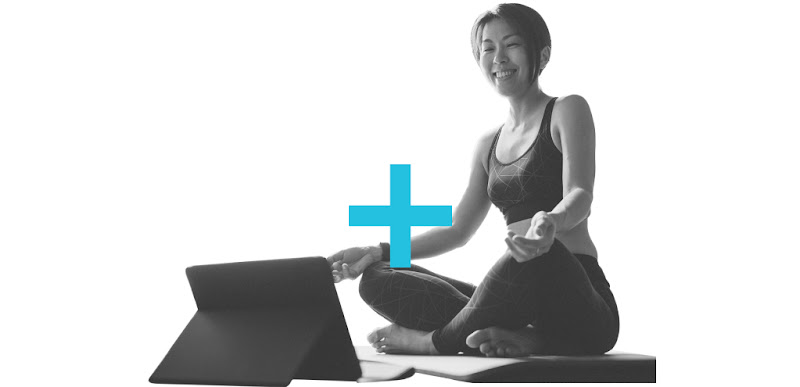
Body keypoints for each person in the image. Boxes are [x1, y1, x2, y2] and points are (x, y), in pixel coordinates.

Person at [327, 3, 618, 358]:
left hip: (579, 302)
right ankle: (521, 336)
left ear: (542, 54)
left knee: (537, 255)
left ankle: (430, 342)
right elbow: (456, 230)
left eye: (511, 44)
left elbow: (580, 193)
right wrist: (378, 250)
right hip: (518, 303)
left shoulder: (566, 109)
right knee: (378, 276)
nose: (499, 57)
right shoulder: (487, 144)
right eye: (488, 48)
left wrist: (551, 224)